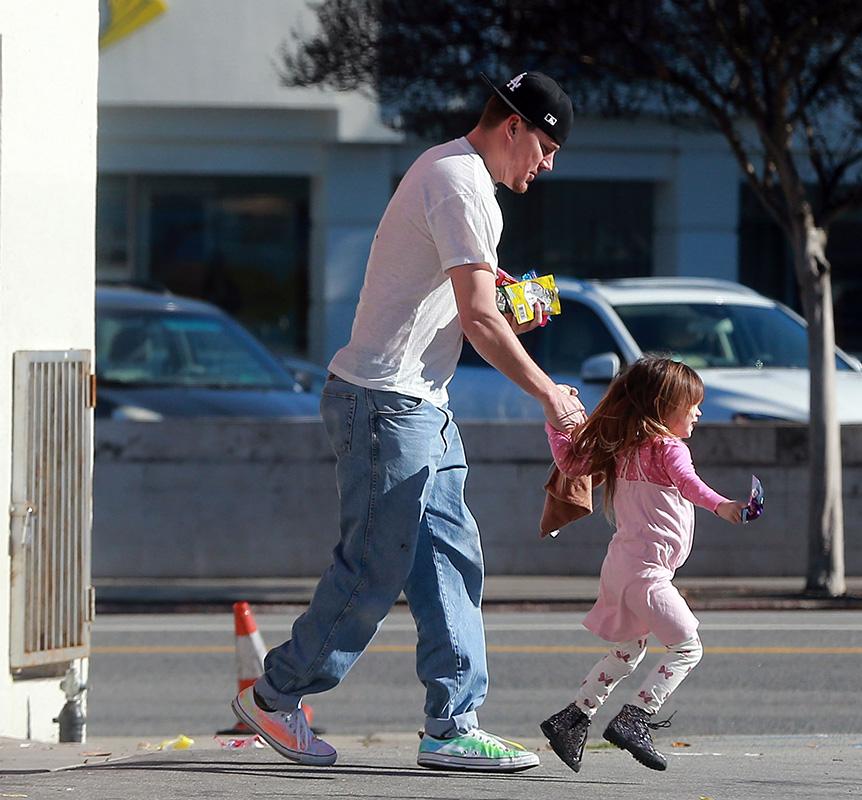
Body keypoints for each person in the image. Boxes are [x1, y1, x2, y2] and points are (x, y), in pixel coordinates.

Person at [230, 70, 585, 772]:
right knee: (373, 567)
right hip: (383, 405)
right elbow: (479, 319)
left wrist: (505, 289)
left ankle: (452, 725)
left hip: (418, 403)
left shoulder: (452, 173)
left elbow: (467, 292)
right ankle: (274, 696)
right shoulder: (459, 182)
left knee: (449, 561)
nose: (546, 165)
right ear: (511, 126)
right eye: (544, 147)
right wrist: (549, 393)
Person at [539, 357, 746, 773]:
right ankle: (635, 718)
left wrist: (553, 421)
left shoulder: (622, 447)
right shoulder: (668, 447)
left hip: (620, 567)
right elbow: (689, 483)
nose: (698, 412)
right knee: (688, 648)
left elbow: (570, 464)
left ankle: (573, 718)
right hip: (647, 575)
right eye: (691, 404)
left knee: (627, 651)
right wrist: (723, 505)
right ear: (663, 405)